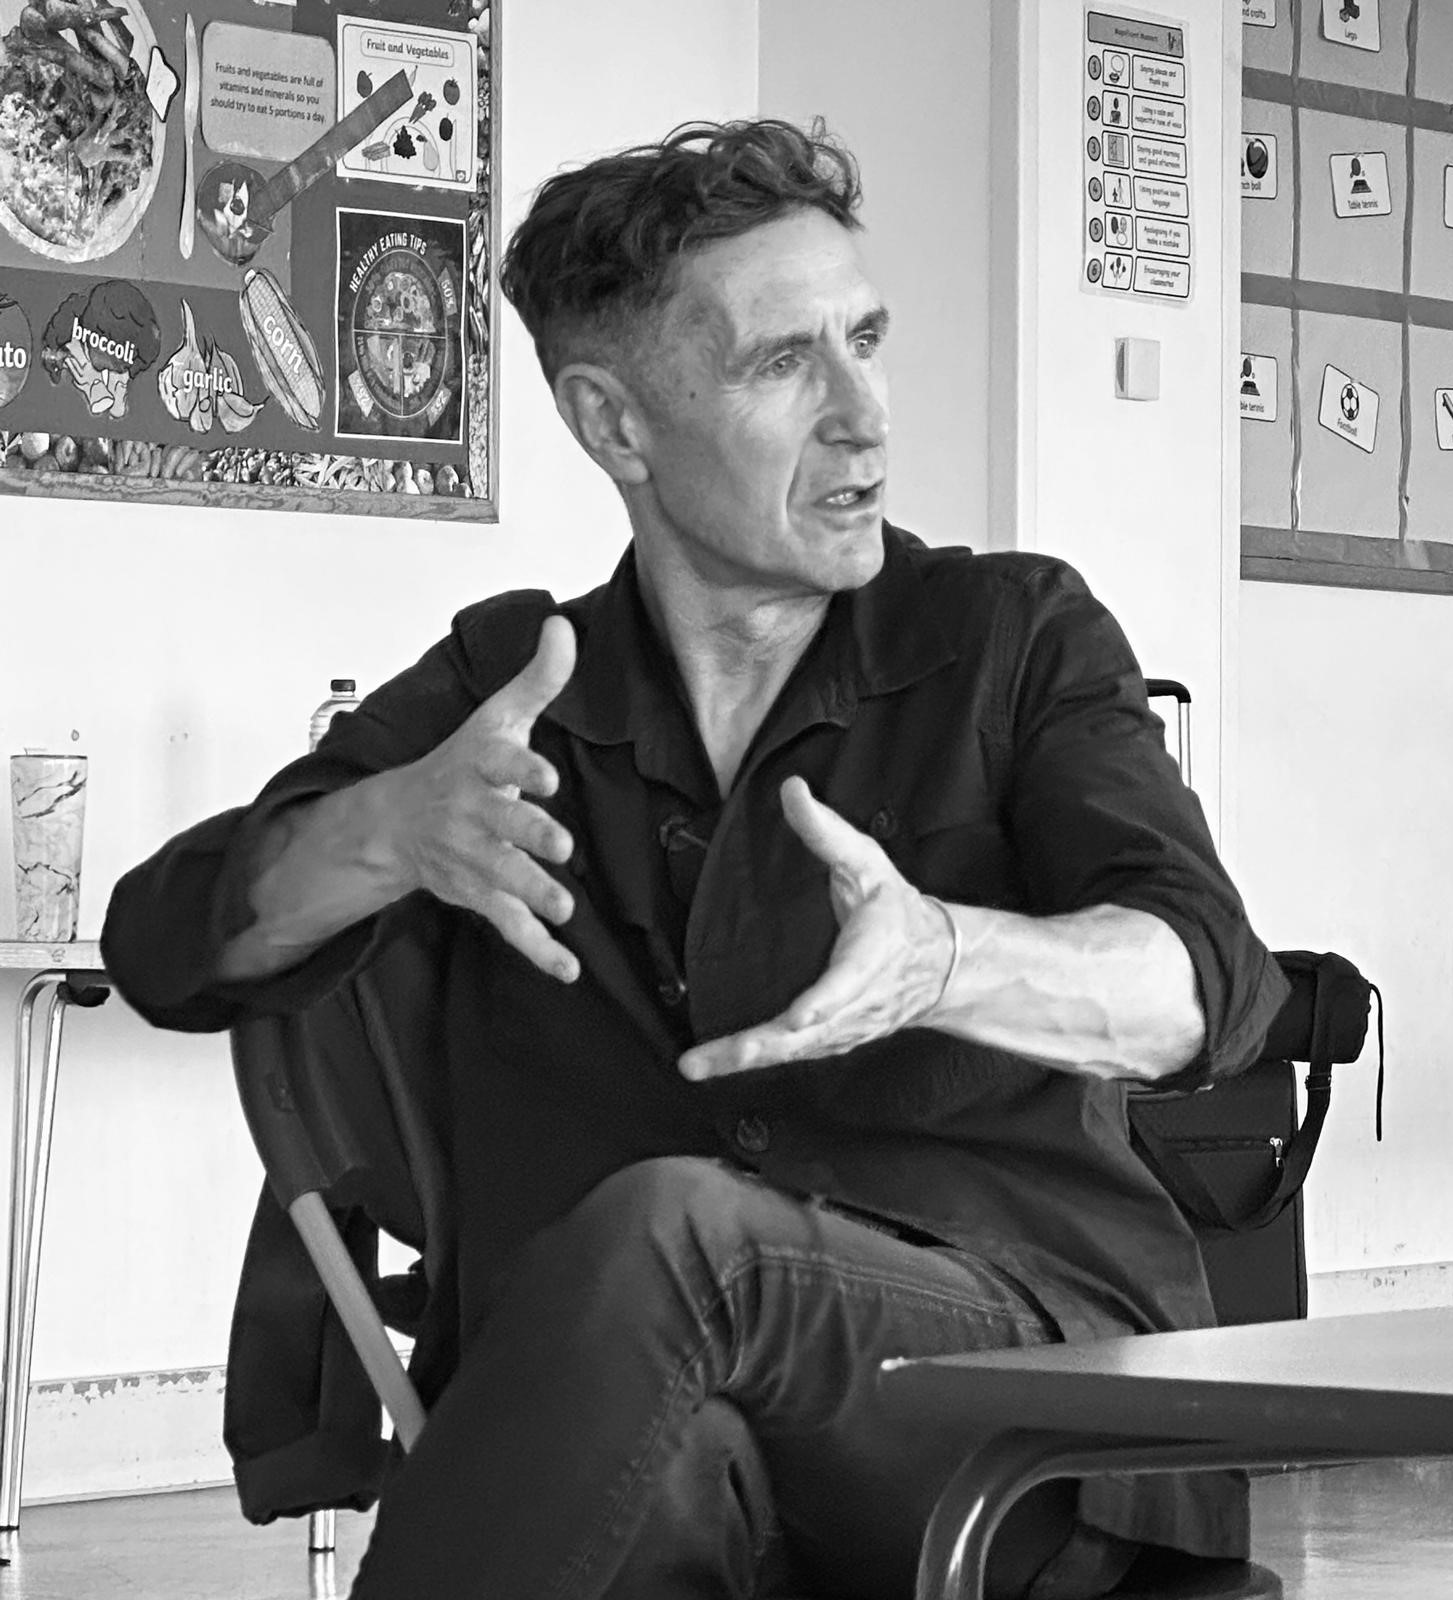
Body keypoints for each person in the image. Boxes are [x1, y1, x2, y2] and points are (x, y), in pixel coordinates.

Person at [103, 119, 1288, 1600]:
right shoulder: (507, 684)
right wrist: (387, 827)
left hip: (1022, 1400)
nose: (863, 417)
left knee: (681, 1238)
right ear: (617, 427)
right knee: (662, 1443)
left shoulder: (1013, 637)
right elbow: (164, 947)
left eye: (866, 340)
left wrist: (949, 960)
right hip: (632, 1426)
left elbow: (1207, 993)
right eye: (785, 363)